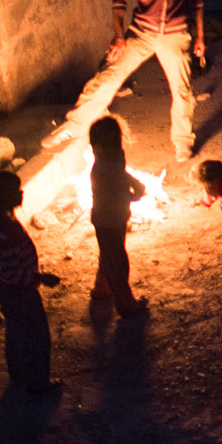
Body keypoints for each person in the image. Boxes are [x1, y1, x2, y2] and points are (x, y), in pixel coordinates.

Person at [48, 0, 206, 162]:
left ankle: (182, 143)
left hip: (176, 33)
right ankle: (73, 126)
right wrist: (119, 35)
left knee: (182, 91)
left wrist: (199, 35)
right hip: (142, 31)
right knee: (108, 77)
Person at [0, 171, 61, 397]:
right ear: (2, 198)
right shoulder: (8, 230)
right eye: (15, 190)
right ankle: (38, 384)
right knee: (37, 339)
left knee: (16, 334)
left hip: (8, 291)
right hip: (22, 293)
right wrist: (40, 278)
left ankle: (18, 374)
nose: (21, 193)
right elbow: (15, 269)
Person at [88, 116, 149, 318]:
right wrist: (132, 195)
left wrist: (134, 184)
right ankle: (126, 305)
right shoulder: (102, 168)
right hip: (108, 220)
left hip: (115, 218)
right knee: (117, 262)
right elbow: (112, 193)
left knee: (109, 255)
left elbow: (121, 173)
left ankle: (101, 288)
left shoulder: (112, 156)